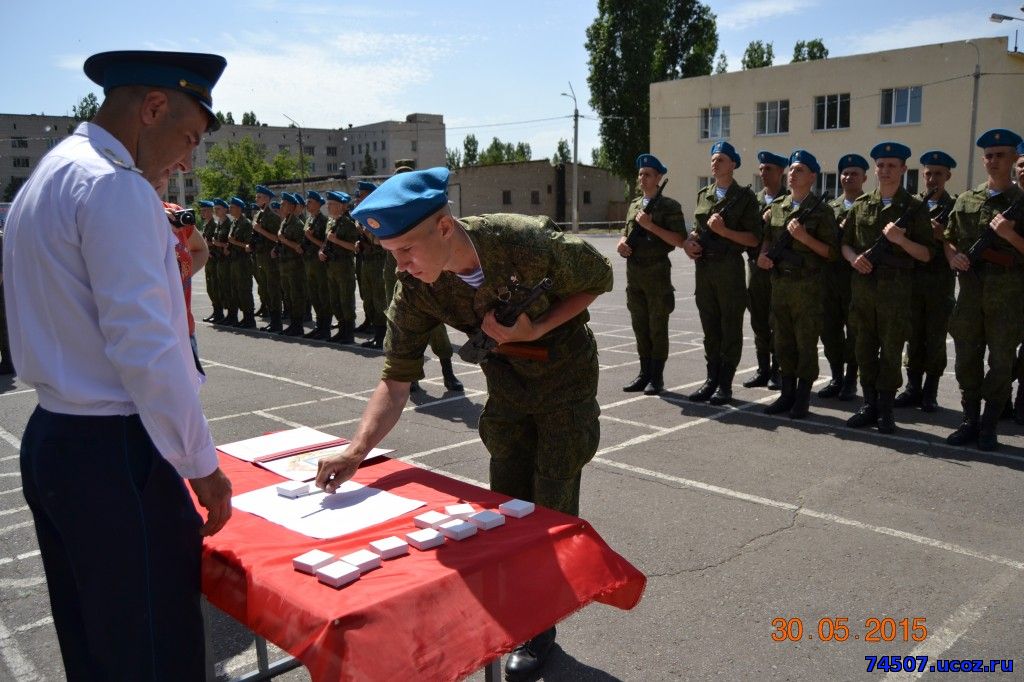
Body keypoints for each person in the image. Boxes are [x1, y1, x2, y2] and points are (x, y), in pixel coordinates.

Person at [315, 167, 612, 680]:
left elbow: (598, 278)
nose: (402, 268)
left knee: (552, 495)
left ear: (445, 227)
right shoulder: (417, 289)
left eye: (407, 250)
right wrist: (356, 449)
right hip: (507, 386)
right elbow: (396, 378)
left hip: (565, 379)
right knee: (509, 502)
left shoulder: (523, 241)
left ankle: (540, 627)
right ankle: (519, 615)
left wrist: (535, 326)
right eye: (392, 256)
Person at [3, 49, 232, 680]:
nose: (186, 159)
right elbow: (148, 348)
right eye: (187, 137)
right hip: (116, 450)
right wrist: (202, 466)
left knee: (94, 640)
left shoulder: (51, 174)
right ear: (152, 108)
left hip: (56, 435)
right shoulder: (116, 185)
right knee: (152, 647)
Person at [841, 142, 935, 434]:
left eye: (892, 165)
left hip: (896, 292)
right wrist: (854, 258)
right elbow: (844, 243)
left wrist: (901, 240)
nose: (885, 170)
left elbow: (927, 254)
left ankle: (885, 410)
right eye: (881, 165)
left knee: (891, 351)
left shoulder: (915, 207)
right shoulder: (861, 205)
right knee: (864, 349)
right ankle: (868, 404)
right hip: (864, 289)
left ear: (904, 169)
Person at [943, 129, 1024, 450]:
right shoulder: (967, 199)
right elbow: (948, 237)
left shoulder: (1020, 202)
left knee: (1002, 363)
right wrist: (953, 256)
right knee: (966, 361)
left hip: (1008, 298)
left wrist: (1010, 235)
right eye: (988, 156)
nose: (993, 161)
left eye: (1000, 155)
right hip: (971, 296)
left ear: (1013, 159)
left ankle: (990, 424)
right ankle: (970, 421)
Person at [757, 150, 838, 418]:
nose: (793, 173)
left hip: (808, 287)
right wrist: (764, 255)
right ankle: (786, 393)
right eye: (791, 169)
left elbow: (831, 253)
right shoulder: (778, 207)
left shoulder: (823, 211)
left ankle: (802, 398)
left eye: (800, 169)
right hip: (780, 284)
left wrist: (803, 237)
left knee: (805, 342)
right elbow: (768, 239)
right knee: (783, 341)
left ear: (812, 176)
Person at [682, 140, 761, 405]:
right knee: (710, 326)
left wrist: (724, 231)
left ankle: (725, 384)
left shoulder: (745, 197)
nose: (715, 163)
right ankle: (710, 379)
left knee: (729, 327)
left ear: (733, 165)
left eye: (721, 160)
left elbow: (753, 239)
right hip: (704, 268)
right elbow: (696, 228)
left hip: (729, 268)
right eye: (713, 159)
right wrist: (689, 243)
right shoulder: (703, 194)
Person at [384, 165, 464, 392]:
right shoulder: (389, 214)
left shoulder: (422, 211)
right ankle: (411, 378)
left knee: (438, 331)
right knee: (405, 334)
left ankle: (448, 373)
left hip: (429, 279)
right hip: (403, 280)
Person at [617, 153, 687, 395]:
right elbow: (625, 233)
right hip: (634, 274)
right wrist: (622, 244)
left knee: (658, 326)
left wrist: (651, 226)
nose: (642, 178)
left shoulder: (669, 207)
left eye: (647, 174)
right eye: (640, 174)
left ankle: (656, 377)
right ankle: (643, 373)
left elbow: (679, 240)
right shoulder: (634, 205)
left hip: (657, 274)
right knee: (640, 326)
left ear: (658, 177)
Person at [895, 151, 958, 412]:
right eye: (928, 173)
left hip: (940, 282)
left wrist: (943, 235)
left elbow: (961, 245)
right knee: (913, 335)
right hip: (913, 280)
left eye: (938, 174)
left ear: (948, 176)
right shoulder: (913, 204)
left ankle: (930, 391)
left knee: (935, 337)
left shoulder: (954, 205)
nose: (932, 179)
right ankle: (913, 388)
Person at [821, 154, 869, 401]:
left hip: (857, 279)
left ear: (864, 178)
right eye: (845, 173)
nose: (849, 177)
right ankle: (836, 376)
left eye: (854, 173)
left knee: (855, 333)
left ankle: (851, 379)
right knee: (829, 331)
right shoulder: (829, 208)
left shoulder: (870, 206)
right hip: (830, 278)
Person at [744, 151, 789, 390]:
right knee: (759, 320)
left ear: (781, 172)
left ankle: (777, 370)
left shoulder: (790, 199)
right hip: (756, 269)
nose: (763, 173)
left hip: (780, 271)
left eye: (768, 169)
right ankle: (762, 369)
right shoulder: (753, 201)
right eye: (761, 169)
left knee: (778, 321)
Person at [321, 190, 360, 344]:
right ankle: (341, 330)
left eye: (331, 204)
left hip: (344, 268)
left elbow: (354, 247)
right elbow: (326, 242)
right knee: (335, 300)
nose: (328, 207)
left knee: (346, 300)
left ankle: (348, 333)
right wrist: (321, 251)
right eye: (328, 204)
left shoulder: (349, 224)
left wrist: (336, 240)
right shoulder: (331, 222)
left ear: (341, 206)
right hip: (331, 267)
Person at [251, 185, 283, 332]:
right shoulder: (258, 215)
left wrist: (260, 230)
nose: (256, 199)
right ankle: (270, 317)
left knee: (273, 289)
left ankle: (276, 322)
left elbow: (278, 238)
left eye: (259, 197)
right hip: (260, 257)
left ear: (267, 199)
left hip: (270, 259)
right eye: (256, 196)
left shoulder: (273, 217)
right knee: (264, 288)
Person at [277, 192, 308, 337]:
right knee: (288, 296)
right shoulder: (285, 221)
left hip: (295, 266)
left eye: (284, 204)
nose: (281, 206)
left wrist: (284, 240)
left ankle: (298, 326)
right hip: (285, 265)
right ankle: (292, 324)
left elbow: (301, 247)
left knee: (296, 296)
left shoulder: (297, 224)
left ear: (291, 207)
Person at [303, 190, 332, 339]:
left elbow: (326, 245)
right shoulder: (309, 220)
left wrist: (310, 237)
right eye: (307, 202)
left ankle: (325, 328)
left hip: (320, 266)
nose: (307, 204)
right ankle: (319, 326)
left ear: (318, 205)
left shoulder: (324, 221)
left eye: (310, 202)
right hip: (309, 264)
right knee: (314, 296)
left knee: (323, 296)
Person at [226, 196, 256, 328]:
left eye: (232, 207)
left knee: (244, 290)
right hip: (234, 261)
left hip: (243, 262)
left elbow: (249, 245)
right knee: (236, 290)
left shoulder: (246, 223)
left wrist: (234, 242)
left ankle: (249, 319)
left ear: (239, 208)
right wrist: (229, 246)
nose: (230, 209)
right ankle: (243, 318)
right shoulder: (235, 222)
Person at [199, 199, 223, 323]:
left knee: (215, 287)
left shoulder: (214, 224)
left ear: (210, 212)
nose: (202, 213)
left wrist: (206, 244)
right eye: (201, 211)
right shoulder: (206, 225)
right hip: (208, 260)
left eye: (204, 211)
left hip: (214, 259)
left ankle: (219, 313)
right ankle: (216, 311)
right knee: (210, 287)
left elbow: (215, 242)